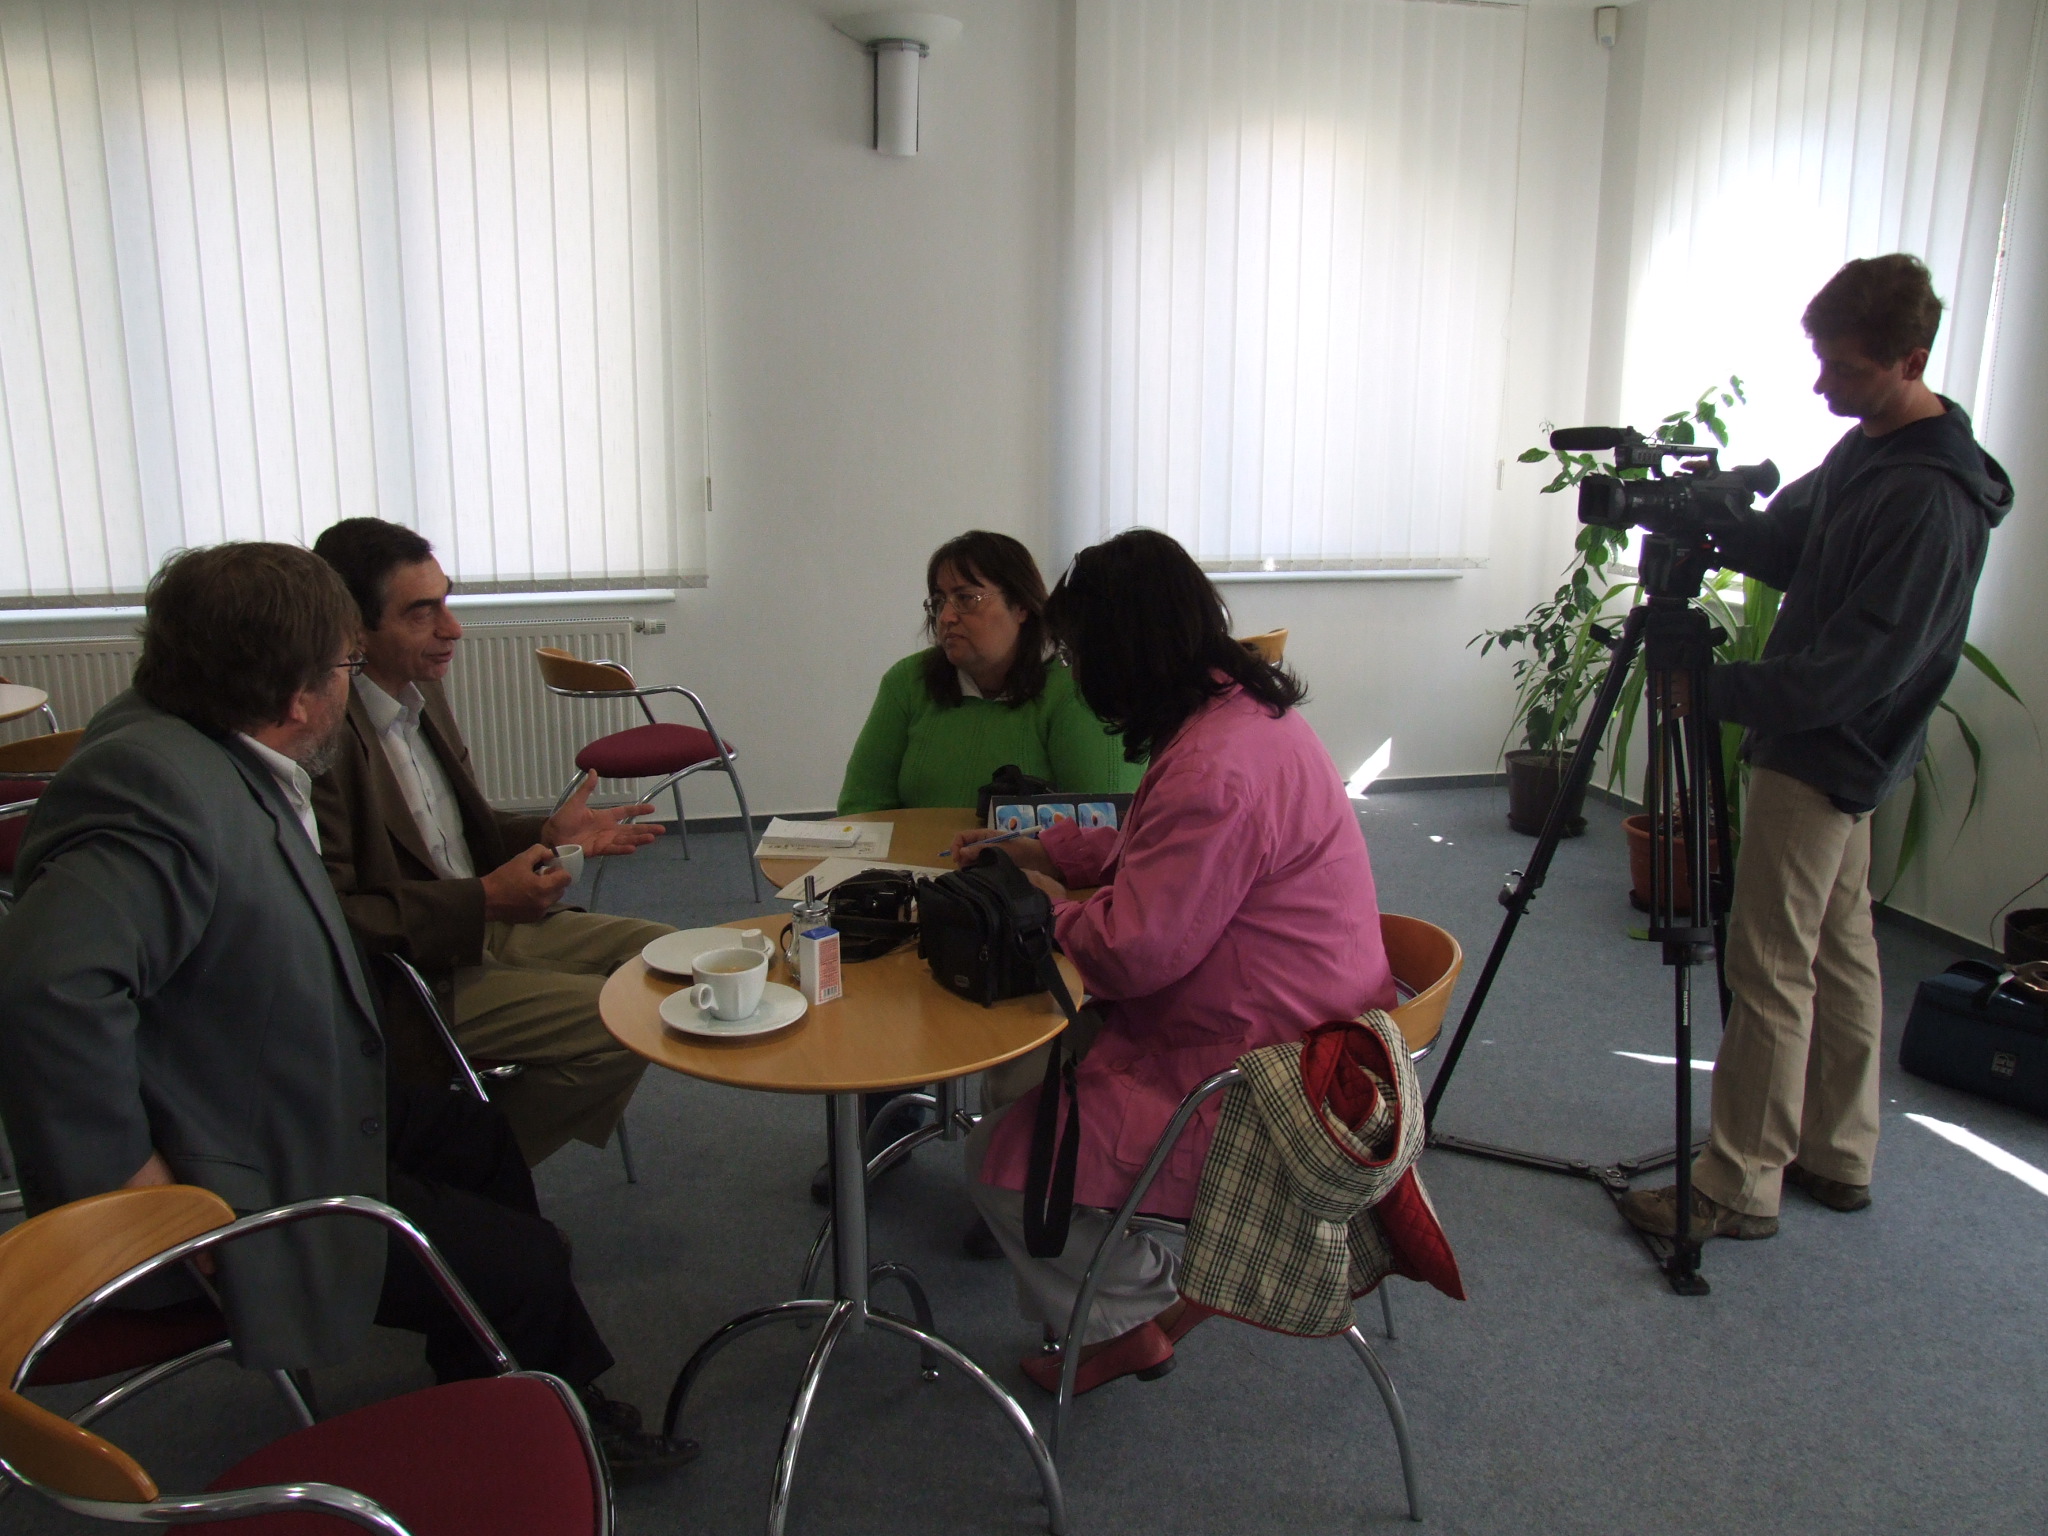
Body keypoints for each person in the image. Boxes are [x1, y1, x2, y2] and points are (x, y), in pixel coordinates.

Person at [0, 543, 685, 1473]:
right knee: (525, 1262)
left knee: (479, 1138)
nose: (351, 684)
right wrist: (139, 1191)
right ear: (298, 697)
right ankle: (543, 1429)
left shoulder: (211, 736)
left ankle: (490, 1380)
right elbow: (45, 991)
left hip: (296, 1090)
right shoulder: (151, 789)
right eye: (345, 665)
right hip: (238, 1163)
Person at [1619, 254, 2012, 1244]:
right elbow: (1794, 549)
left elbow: (1853, 670)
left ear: (1909, 360)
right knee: (1839, 954)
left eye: (1842, 368)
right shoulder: (1871, 447)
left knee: (1767, 968)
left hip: (1826, 749)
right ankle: (1837, 1154)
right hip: (1845, 749)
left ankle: (1737, 1184)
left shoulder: (1930, 497)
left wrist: (1712, 692)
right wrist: (1719, 523)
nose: (1821, 384)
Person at [952, 528, 1396, 1394]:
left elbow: (1136, 952)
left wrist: (1045, 909)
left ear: (1124, 651)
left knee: (996, 1162)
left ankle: (1138, 1314)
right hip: (1310, 1023)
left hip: (1261, 1074)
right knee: (1029, 1076)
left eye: (1081, 653)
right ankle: (1114, 1274)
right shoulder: (1239, 713)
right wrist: (1059, 852)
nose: (1077, 673)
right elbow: (1168, 859)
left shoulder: (1216, 767)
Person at [310, 518, 672, 1167]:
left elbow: (454, 834)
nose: (453, 629)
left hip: (484, 922)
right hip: (419, 970)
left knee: (670, 958)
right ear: (354, 632)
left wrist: (544, 833)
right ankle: (463, 1175)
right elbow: (333, 921)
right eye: (422, 613)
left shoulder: (420, 692)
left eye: (446, 602)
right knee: (633, 1019)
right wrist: (481, 901)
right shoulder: (323, 737)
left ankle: (459, 1164)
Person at [836, 529, 1144, 814]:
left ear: (1021, 606)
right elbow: (862, 807)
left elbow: (1106, 818)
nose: (946, 617)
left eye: (966, 599)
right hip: (911, 857)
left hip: (1034, 858)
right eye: (939, 601)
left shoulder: (1077, 686)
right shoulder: (908, 681)